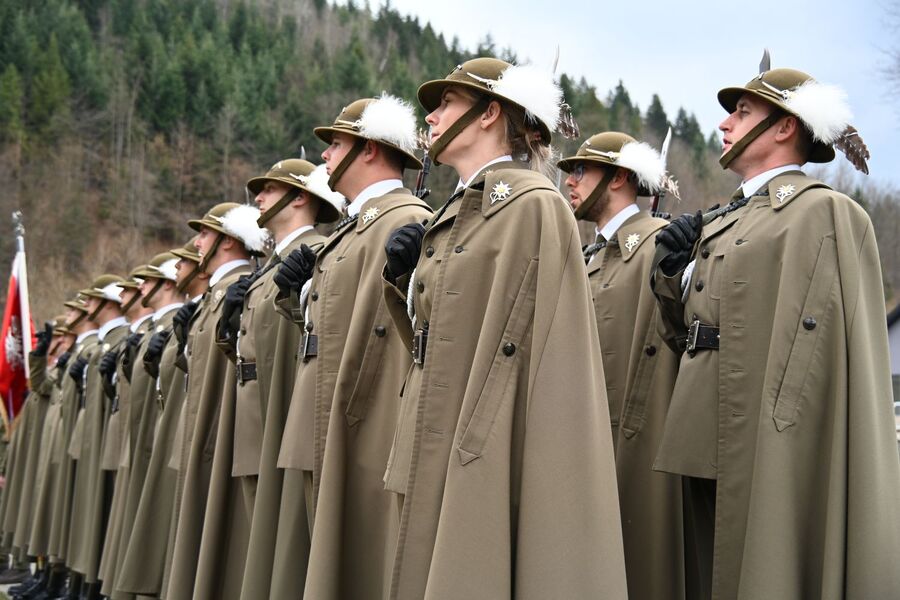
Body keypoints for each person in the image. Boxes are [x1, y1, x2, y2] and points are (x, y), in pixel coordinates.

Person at [652, 61, 900, 599]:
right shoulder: (723, 220)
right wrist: (674, 277)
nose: (724, 125)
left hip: (768, 439)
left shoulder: (823, 214)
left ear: (785, 126)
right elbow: (690, 332)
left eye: (742, 112)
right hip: (700, 430)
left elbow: (818, 350)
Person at [381, 57, 626, 599]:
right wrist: (402, 282)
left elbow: (547, 362)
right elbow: (438, 340)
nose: (433, 117)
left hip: (482, 449)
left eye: (446, 103)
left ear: (490, 113)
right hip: (430, 432)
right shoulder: (456, 210)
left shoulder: (532, 206)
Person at [273, 95, 431, 598]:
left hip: (365, 426)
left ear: (368, 150)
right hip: (328, 417)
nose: (324, 156)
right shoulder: (358, 224)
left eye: (335, 144)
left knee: (363, 566)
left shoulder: (401, 219)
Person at [558, 131, 685, 600]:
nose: (570, 181)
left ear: (619, 178)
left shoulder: (656, 247)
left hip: (635, 453)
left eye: (581, 170)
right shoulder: (589, 256)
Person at [165, 203, 264, 600]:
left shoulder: (235, 290)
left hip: (222, 435)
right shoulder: (216, 294)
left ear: (226, 241)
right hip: (205, 433)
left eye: (204, 234)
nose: (196, 243)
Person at [116, 240, 207, 598]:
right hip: (159, 433)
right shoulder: (164, 325)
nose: (137, 292)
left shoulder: (179, 318)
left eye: (145, 283)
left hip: (180, 432)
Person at [66, 274, 130, 599]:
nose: (84, 305)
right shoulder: (106, 342)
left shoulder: (120, 338)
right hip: (93, 432)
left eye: (92, 299)